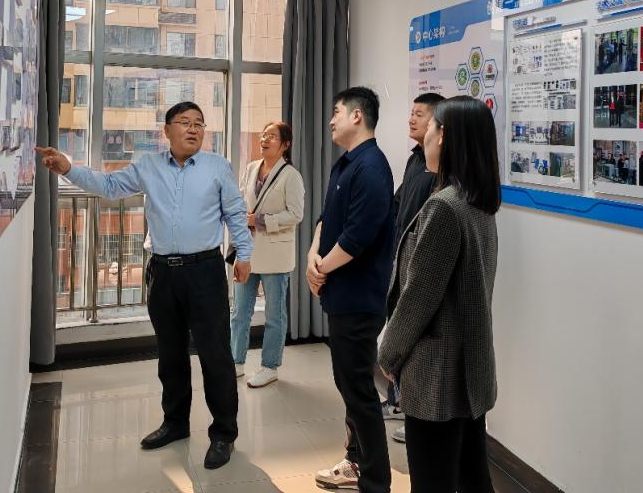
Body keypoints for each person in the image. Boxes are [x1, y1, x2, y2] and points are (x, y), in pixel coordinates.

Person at [35, 102, 251, 470]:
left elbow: (234, 211)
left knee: (215, 355)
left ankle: (223, 434)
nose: (193, 129)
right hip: (163, 273)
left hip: (205, 271)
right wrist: (67, 167)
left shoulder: (217, 166)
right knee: (170, 354)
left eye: (199, 123)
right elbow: (109, 186)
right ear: (166, 131)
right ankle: (175, 423)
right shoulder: (149, 166)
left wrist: (243, 253)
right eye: (184, 122)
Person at [378, 96, 500, 493]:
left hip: (436, 374)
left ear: (443, 136)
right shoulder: (476, 202)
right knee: (471, 477)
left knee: (433, 482)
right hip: (468, 368)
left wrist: (388, 354)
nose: (423, 134)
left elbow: (419, 297)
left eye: (429, 125)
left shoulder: (445, 208)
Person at [308, 87, 396, 493]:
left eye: (337, 112)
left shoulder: (373, 167)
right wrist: (313, 256)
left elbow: (358, 236)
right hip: (340, 294)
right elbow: (327, 219)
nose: (331, 120)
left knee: (359, 390)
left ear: (357, 116)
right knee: (348, 386)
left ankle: (375, 481)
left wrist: (321, 269)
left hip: (360, 299)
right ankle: (356, 460)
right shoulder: (345, 163)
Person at [386, 92, 444, 443]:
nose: (412, 119)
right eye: (411, 112)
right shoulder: (414, 160)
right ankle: (396, 401)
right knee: (396, 327)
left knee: (413, 339)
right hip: (400, 257)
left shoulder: (440, 170)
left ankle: (413, 412)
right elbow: (398, 202)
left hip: (420, 262)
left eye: (420, 115)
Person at [230, 121, 305, 389]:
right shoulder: (251, 168)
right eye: (263, 135)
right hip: (248, 253)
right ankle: (236, 362)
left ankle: (270, 366)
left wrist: (261, 220)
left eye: (271, 136)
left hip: (275, 255)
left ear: (285, 144)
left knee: (275, 316)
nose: (264, 139)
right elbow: (241, 204)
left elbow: (296, 214)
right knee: (240, 312)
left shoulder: (291, 175)